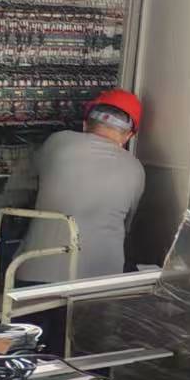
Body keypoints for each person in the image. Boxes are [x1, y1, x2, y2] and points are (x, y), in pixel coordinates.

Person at [12, 90, 148, 353]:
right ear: (129, 136)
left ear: (86, 123)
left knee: (24, 356)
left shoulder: (57, 142)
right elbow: (127, 226)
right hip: (97, 284)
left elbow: (24, 185)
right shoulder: (135, 169)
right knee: (83, 359)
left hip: (34, 277)